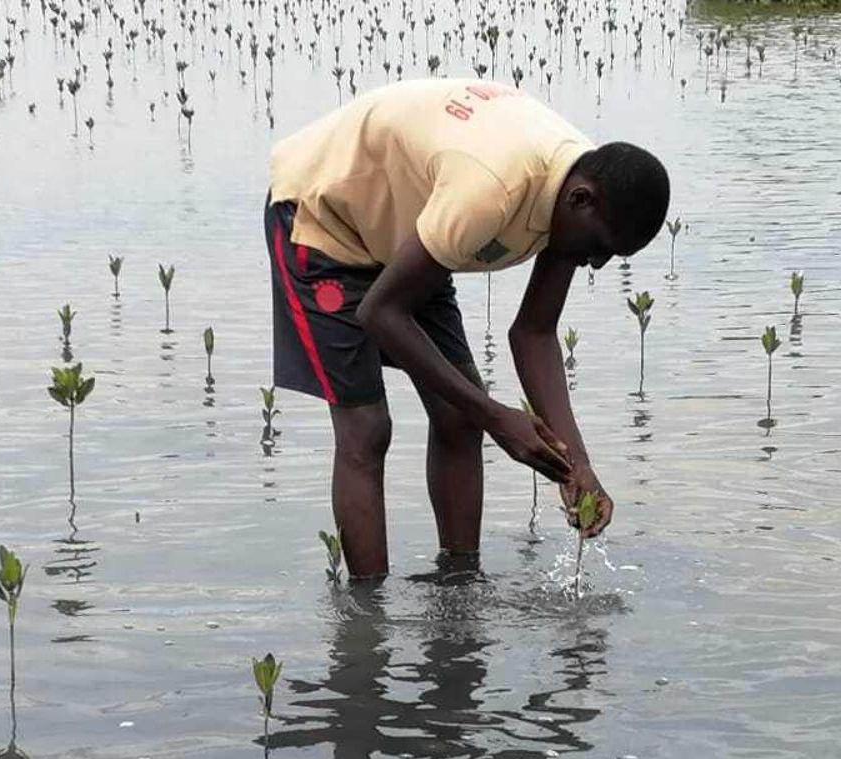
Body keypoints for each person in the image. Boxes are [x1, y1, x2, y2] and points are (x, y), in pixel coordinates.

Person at [264, 78, 670, 578]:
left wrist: (578, 465)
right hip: (322, 217)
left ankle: (457, 589)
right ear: (580, 201)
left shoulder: (579, 190)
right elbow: (379, 313)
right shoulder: (494, 188)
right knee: (366, 429)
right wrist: (500, 419)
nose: (599, 262)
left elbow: (534, 333)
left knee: (458, 419)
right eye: (602, 246)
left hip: (411, 232)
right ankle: (368, 625)